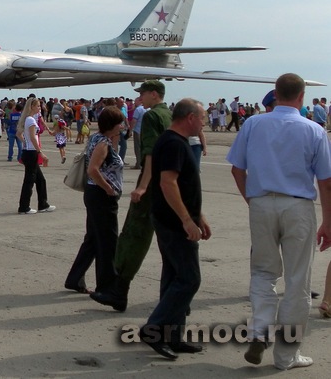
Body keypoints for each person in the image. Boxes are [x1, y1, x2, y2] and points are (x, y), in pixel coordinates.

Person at [227, 73, 331, 370]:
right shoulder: (313, 130)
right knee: (298, 280)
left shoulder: (253, 124)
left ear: (276, 93)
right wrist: (328, 221)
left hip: (261, 202)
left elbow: (237, 169)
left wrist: (254, 201)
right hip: (297, 206)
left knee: (263, 272)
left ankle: (260, 330)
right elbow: (326, 181)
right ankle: (286, 355)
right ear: (301, 97)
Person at [91, 80, 171, 312]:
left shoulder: (152, 116)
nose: (139, 99)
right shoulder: (169, 114)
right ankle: (174, 298)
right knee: (171, 241)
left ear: (154, 95)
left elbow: (150, 154)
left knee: (134, 236)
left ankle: (119, 291)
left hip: (153, 183)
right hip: (170, 182)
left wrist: (143, 185)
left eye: (143, 94)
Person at [140, 99, 212, 360]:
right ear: (190, 117)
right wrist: (186, 220)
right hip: (173, 223)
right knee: (189, 279)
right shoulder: (172, 143)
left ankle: (173, 336)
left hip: (175, 219)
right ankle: (154, 329)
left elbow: (184, 186)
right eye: (202, 117)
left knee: (173, 278)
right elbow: (168, 183)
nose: (204, 122)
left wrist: (198, 216)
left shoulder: (176, 142)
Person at [65, 106, 124, 295]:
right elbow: (93, 169)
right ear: (112, 125)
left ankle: (75, 279)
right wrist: (109, 188)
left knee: (92, 239)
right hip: (101, 196)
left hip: (93, 194)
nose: (122, 126)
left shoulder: (98, 138)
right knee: (107, 242)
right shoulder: (102, 144)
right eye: (120, 123)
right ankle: (106, 287)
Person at [16, 97, 56, 215]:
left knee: (40, 180)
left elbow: (19, 134)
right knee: (29, 180)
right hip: (31, 153)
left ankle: (43, 204)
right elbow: (33, 137)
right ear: (32, 107)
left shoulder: (29, 119)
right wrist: (40, 152)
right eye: (38, 106)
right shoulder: (30, 120)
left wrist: (25, 142)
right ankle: (24, 207)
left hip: (29, 151)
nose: (40, 108)